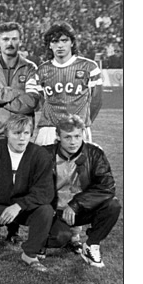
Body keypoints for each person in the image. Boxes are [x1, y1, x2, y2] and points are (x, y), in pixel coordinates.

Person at [0, 114, 55, 272]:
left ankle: (30, 253)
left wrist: (19, 205)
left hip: (24, 206)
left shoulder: (40, 154)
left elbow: (45, 191)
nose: (22, 138)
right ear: (6, 133)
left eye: (26, 133)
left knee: (45, 210)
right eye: (16, 133)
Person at [42, 114, 121, 268]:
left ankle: (91, 245)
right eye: (68, 137)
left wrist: (75, 204)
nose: (73, 142)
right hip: (55, 211)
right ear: (58, 136)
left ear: (83, 134)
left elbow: (107, 187)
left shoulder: (94, 153)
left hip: (80, 209)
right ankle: (42, 239)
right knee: (60, 238)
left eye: (77, 136)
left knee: (113, 205)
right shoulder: (45, 153)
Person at [35, 22, 103, 145]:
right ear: (49, 45)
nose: (60, 45)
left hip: (77, 129)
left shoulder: (89, 67)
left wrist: (83, 123)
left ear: (72, 42)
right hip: (49, 129)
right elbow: (40, 101)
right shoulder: (41, 70)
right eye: (55, 41)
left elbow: (96, 101)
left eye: (64, 40)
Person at [0, 22, 41, 141]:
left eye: (14, 39)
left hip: (21, 136)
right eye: (5, 39)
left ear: (20, 41)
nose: (10, 43)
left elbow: (31, 101)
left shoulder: (30, 68)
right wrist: (15, 92)